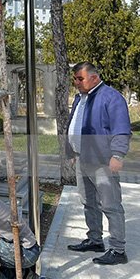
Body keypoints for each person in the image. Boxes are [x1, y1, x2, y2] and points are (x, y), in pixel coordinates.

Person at [65, 62, 131, 265]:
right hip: (82, 159)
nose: (76, 82)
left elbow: (121, 128)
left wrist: (117, 155)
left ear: (94, 77)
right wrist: (71, 151)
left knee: (110, 205)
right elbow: (75, 124)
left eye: (80, 78)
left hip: (102, 162)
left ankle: (118, 250)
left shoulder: (111, 97)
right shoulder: (81, 98)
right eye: (75, 78)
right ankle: (95, 240)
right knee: (88, 202)